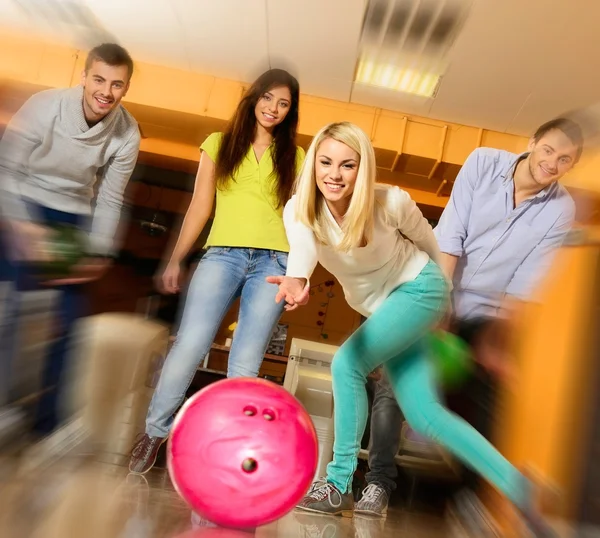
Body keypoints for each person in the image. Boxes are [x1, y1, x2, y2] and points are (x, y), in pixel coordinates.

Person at [269, 121, 558, 537]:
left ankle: (336, 483)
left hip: (420, 288)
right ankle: (521, 488)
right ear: (313, 163)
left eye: (347, 165)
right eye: (326, 162)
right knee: (426, 415)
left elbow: (430, 242)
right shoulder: (299, 209)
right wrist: (296, 280)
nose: (334, 174)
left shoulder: (390, 202)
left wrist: (442, 305)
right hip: (385, 308)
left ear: (362, 169)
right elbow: (303, 250)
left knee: (347, 363)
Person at [356, 118, 583, 520]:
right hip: (433, 284)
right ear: (532, 142)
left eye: (564, 159)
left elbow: (526, 283)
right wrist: (436, 306)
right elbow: (451, 234)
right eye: (548, 150)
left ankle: (484, 499)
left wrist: (499, 343)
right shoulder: (482, 163)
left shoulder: (560, 208)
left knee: (485, 400)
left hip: (484, 312)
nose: (552, 163)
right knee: (395, 389)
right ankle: (378, 483)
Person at [128, 68, 305, 474]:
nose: (273, 109)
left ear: (290, 111)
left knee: (245, 361)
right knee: (190, 344)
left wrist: (300, 274)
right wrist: (175, 258)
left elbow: (301, 222)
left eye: (283, 104)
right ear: (253, 97)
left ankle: (225, 448)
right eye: (268, 98)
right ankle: (154, 433)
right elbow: (200, 206)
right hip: (222, 254)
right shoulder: (219, 143)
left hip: (275, 262)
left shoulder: (295, 157)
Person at [0, 43, 140, 434]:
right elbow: (5, 169)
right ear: (84, 77)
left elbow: (111, 197)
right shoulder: (45, 106)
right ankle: (5, 407)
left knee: (69, 320)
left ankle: (47, 423)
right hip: (24, 200)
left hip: (73, 217)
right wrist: (22, 225)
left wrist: (98, 250)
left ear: (126, 88)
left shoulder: (127, 133)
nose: (106, 92)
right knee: (11, 309)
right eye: (98, 79)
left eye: (117, 84)